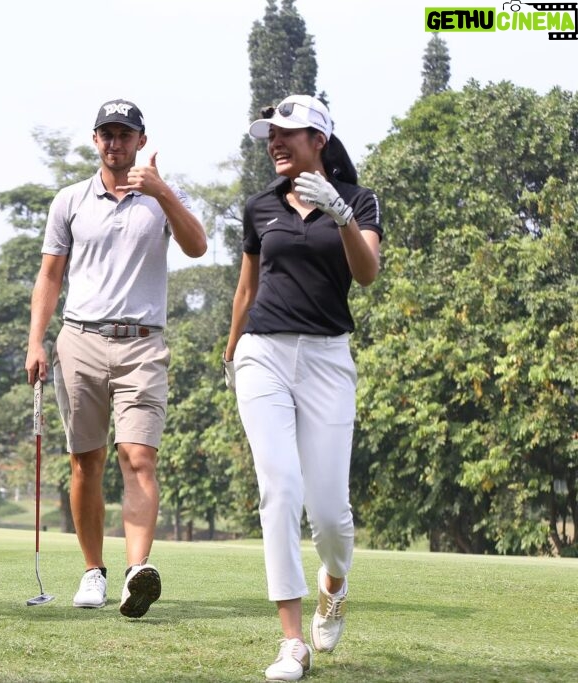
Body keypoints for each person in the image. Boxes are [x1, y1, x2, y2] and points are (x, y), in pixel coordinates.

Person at [26, 99, 207, 618]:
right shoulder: (70, 200)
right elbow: (50, 276)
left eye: (125, 134)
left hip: (143, 343)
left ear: (141, 142)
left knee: (139, 455)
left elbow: (197, 246)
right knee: (86, 460)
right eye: (107, 133)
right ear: (95, 139)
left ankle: (135, 573)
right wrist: (36, 341)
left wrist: (163, 191)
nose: (115, 142)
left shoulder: (162, 197)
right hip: (80, 338)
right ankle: (92, 571)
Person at [223, 95, 382, 681]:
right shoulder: (260, 206)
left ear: (319, 138)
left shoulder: (359, 201)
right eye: (271, 134)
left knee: (331, 516)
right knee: (281, 490)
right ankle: (292, 641)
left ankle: (334, 583)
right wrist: (232, 344)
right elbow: (247, 286)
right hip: (262, 353)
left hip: (326, 359)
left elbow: (365, 274)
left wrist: (341, 213)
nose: (275, 142)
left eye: (288, 133)